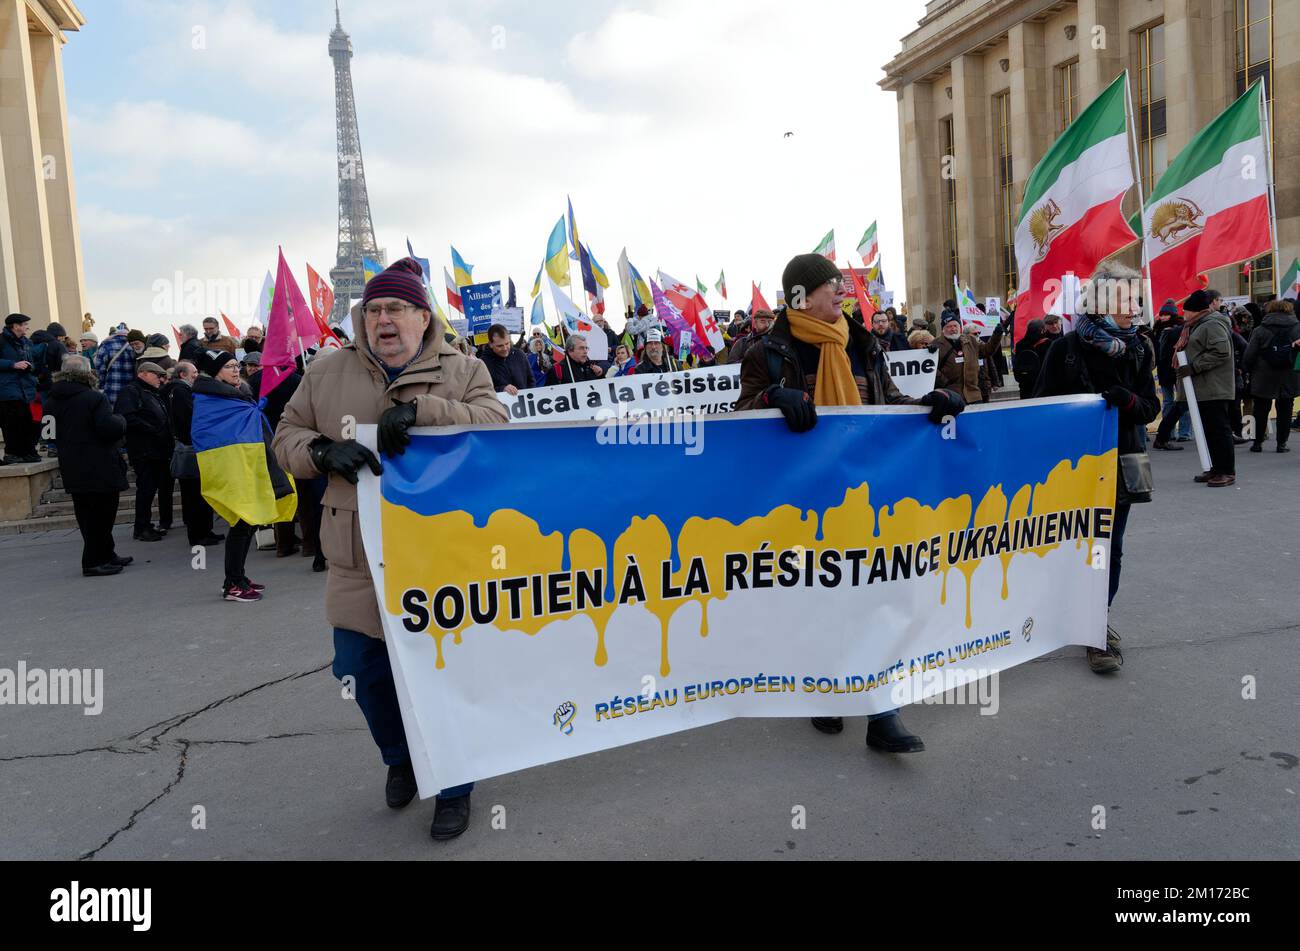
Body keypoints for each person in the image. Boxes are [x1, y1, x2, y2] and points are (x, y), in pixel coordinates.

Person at [272, 257, 509, 842]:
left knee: (446, 675)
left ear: (422, 316)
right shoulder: (326, 372)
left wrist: (425, 411)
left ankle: (453, 786)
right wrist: (323, 453)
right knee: (359, 671)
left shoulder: (464, 367)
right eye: (374, 309)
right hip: (358, 553)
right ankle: (400, 758)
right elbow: (286, 434)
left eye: (395, 308)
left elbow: (496, 422)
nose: (383, 319)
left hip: (445, 552)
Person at [737, 253, 964, 754]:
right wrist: (773, 399)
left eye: (841, 284)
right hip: (803, 506)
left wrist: (929, 403)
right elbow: (740, 418)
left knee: (873, 596)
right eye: (830, 286)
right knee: (819, 598)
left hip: (865, 496)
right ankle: (824, 688)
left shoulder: (863, 343)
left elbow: (888, 404)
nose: (841, 292)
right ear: (801, 296)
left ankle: (883, 713)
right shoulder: (769, 352)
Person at [1033, 263, 1159, 672]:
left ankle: (1096, 626)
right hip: (1074, 470)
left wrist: (1126, 401)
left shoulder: (1141, 348)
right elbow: (1041, 410)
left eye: (1135, 298)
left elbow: (1150, 408)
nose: (1135, 306)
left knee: (1110, 549)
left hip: (1123, 463)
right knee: (1076, 547)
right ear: (1102, 302)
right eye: (1126, 298)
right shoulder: (1064, 348)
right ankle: (1067, 616)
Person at [43, 356, 133, 576]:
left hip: (72, 464)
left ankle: (106, 554)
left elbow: (48, 434)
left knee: (86, 514)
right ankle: (93, 561)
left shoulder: (51, 400)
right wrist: (121, 420)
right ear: (87, 372)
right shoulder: (93, 398)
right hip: (99, 463)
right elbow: (108, 428)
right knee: (102, 514)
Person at [1153, 289, 1236, 486]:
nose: (1183, 315)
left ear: (1195, 311)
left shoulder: (1212, 324)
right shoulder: (1198, 325)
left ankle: (1226, 471)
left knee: (1219, 430)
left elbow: (1221, 352)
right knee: (1210, 431)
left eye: (1186, 311)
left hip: (1214, 387)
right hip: (1204, 387)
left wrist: (1193, 367)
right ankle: (1216, 469)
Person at [163, 360, 222, 547]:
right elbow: (191, 418)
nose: (197, 375)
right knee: (195, 495)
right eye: (194, 372)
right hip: (191, 448)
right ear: (183, 374)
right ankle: (199, 534)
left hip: (189, 446)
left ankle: (204, 531)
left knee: (197, 494)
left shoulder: (176, 390)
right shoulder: (181, 392)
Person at [116, 362, 174, 541]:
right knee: (146, 489)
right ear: (144, 374)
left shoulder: (149, 392)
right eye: (158, 375)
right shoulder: (131, 391)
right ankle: (142, 528)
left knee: (151, 488)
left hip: (156, 450)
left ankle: (146, 525)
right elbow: (127, 417)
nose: (162, 379)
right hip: (144, 451)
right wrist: (153, 429)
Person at [1243, 299, 1300, 453]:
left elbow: (1249, 355)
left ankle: (1257, 443)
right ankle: (1281, 444)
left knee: (1260, 409)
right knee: (1286, 410)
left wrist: (1247, 370)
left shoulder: (1260, 330)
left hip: (1263, 375)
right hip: (1289, 374)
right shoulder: (1298, 328)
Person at [935, 313, 1005, 405]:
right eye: (949, 326)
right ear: (943, 329)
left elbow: (987, 350)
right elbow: (931, 368)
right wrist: (944, 381)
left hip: (973, 394)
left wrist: (997, 335)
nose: (953, 329)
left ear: (960, 327)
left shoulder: (970, 340)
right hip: (951, 394)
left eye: (955, 326)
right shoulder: (936, 344)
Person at [0, 313, 41, 464]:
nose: (27, 327)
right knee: (11, 423)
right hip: (7, 389)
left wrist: (30, 367)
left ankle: (27, 452)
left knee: (27, 422)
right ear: (15, 326)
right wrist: (12, 364)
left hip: (26, 388)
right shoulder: (2, 340)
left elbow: (33, 362)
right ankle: (11, 453)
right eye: (24, 324)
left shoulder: (27, 342)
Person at [1153, 305, 1192, 446]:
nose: (1162, 317)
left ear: (1172, 315)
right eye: (1161, 314)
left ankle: (1184, 433)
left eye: (1165, 314)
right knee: (1170, 402)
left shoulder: (1180, 328)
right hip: (1166, 370)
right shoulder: (1157, 328)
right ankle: (1170, 433)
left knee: (1181, 402)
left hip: (1176, 368)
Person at [92, 324, 137, 410]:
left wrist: (102, 385)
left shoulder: (106, 344)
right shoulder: (134, 345)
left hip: (111, 391)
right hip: (131, 393)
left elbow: (100, 369)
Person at [481, 324, 534, 394]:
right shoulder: (483, 363)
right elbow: (482, 390)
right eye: (500, 346)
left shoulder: (519, 355)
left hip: (525, 403)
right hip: (498, 404)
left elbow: (531, 380)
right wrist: (502, 389)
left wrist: (531, 397)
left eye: (507, 343)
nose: (505, 348)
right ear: (491, 344)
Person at [1012, 319, 1051, 399]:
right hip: (1041, 385)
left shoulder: (1020, 345)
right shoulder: (1047, 343)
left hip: (1025, 384)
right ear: (1042, 330)